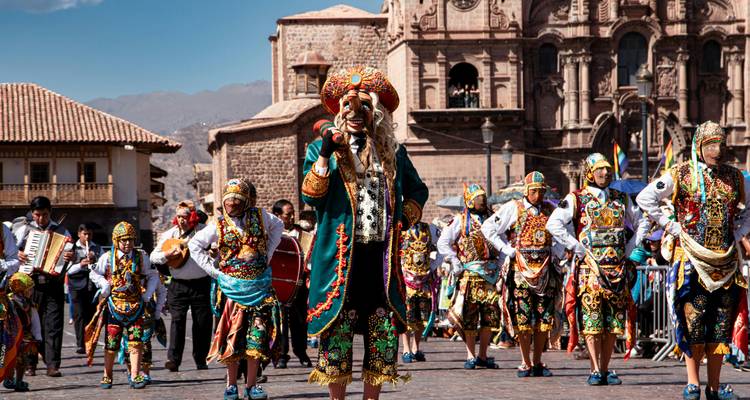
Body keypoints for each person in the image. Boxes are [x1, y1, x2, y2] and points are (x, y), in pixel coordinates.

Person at [301, 66, 428, 400]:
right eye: (348, 107)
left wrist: (405, 217)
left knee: (382, 331)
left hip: (380, 258)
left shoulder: (394, 153)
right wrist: (327, 153)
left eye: (364, 108)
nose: (355, 114)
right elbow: (311, 194)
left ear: (376, 113)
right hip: (340, 259)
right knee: (338, 331)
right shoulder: (320, 150)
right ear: (340, 112)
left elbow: (418, 190)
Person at [637, 121, 750, 400]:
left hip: (725, 261)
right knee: (694, 322)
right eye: (711, 144)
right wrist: (672, 227)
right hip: (692, 260)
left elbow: (749, 210)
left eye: (721, 144)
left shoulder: (735, 177)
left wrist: (739, 231)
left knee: (720, 325)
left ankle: (714, 385)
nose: (717, 150)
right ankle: (692, 382)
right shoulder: (680, 173)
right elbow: (646, 198)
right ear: (699, 146)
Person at [546, 153, 646, 386]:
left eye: (607, 169)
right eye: (599, 169)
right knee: (592, 319)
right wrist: (575, 246)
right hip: (590, 269)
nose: (605, 173)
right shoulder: (577, 198)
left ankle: (605, 367)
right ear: (590, 172)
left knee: (613, 323)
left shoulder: (621, 198)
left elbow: (642, 221)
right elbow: (553, 224)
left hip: (617, 269)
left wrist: (631, 246)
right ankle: (594, 368)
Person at [189, 178, 284, 400]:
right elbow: (195, 245)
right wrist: (215, 272)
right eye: (228, 201)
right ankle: (231, 384)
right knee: (232, 337)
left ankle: (251, 385)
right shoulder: (218, 226)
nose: (232, 204)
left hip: (259, 288)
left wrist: (268, 254)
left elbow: (278, 226)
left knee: (256, 338)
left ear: (246, 201)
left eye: (237, 200)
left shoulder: (262, 218)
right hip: (232, 291)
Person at [481, 171, 562, 377]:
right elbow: (488, 227)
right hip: (520, 272)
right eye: (534, 191)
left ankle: (538, 361)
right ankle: (525, 361)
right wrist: (506, 249)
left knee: (544, 318)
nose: (538, 195)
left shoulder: (551, 210)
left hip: (545, 272)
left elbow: (563, 231)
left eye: (541, 191)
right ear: (526, 191)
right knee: (523, 317)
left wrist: (557, 253)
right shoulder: (513, 208)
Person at [86, 221, 159, 389]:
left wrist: (147, 295)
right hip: (115, 306)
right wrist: (104, 285)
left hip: (136, 305)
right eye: (123, 240)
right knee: (112, 342)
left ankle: (135, 374)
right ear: (116, 240)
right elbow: (94, 273)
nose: (127, 243)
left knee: (136, 340)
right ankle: (107, 374)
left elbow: (152, 275)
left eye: (130, 240)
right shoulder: (107, 257)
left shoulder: (141, 256)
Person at [437, 183, 501, 370]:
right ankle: (471, 354)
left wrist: (501, 262)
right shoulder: (460, 220)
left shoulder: (493, 218)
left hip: (490, 275)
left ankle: (483, 354)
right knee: (470, 316)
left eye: (483, 197)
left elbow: (503, 240)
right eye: (478, 198)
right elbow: (443, 242)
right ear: (469, 201)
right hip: (470, 275)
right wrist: (455, 261)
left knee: (490, 316)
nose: (482, 200)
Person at [151, 200, 212, 372]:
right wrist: (167, 254)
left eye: (185, 217)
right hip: (178, 285)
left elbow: (217, 249)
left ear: (192, 217)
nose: (181, 220)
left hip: (201, 283)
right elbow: (153, 257)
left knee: (202, 323)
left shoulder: (203, 233)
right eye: (179, 217)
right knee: (177, 321)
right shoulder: (169, 235)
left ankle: (201, 359)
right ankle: (173, 360)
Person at [16, 196, 74, 377]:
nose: (41, 219)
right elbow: (12, 252)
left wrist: (70, 258)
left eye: (45, 215)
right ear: (32, 214)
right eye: (37, 215)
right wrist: (19, 255)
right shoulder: (24, 230)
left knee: (53, 325)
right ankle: (30, 364)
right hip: (30, 285)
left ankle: (52, 365)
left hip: (53, 285)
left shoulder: (62, 231)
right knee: (30, 324)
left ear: (50, 212)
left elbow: (73, 256)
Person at [271, 199, 312, 369]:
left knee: (300, 320)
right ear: (278, 215)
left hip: (298, 283)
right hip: (277, 284)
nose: (292, 216)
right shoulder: (272, 233)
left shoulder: (302, 233)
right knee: (280, 320)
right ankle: (281, 354)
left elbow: (308, 256)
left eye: (292, 213)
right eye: (288, 214)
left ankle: (301, 352)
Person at [399, 220, 440, 363]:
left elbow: (443, 246)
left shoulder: (430, 229)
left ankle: (416, 347)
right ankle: (406, 349)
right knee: (407, 315)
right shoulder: (400, 227)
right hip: (406, 280)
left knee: (422, 316)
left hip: (424, 281)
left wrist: (434, 265)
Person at [3, 273, 41, 392]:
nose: (31, 291)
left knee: (21, 359)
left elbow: (35, 320)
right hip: (9, 335)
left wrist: (38, 335)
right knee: (7, 358)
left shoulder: (29, 304)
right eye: (29, 289)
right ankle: (8, 378)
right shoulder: (7, 301)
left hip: (24, 336)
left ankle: (18, 381)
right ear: (21, 289)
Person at [67, 223, 101, 355]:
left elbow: (103, 267)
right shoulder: (71, 248)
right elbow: (68, 270)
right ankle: (80, 343)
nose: (87, 237)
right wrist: (81, 264)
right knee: (79, 315)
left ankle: (90, 341)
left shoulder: (97, 248)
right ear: (79, 234)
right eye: (85, 234)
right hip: (76, 286)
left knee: (91, 315)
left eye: (90, 234)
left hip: (91, 286)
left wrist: (95, 261)